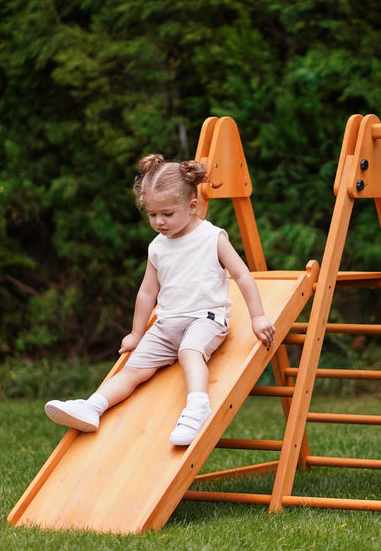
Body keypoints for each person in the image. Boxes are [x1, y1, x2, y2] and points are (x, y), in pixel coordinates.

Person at [44, 153, 277, 446]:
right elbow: (146, 292)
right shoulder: (158, 247)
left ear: (192, 206)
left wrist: (257, 316)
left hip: (205, 319)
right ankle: (92, 408)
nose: (159, 221)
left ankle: (196, 408)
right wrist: (136, 333)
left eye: (167, 214)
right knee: (133, 370)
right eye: (152, 214)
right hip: (167, 323)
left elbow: (242, 276)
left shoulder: (212, 237)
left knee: (189, 352)